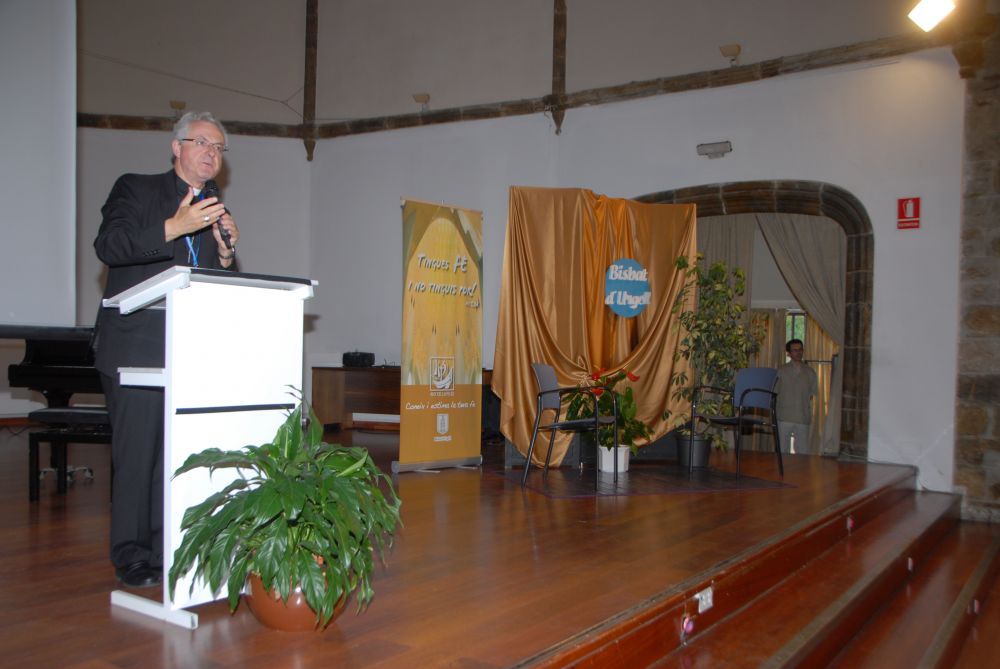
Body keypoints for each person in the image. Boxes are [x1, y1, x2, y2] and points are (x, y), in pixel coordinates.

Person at [93, 111, 240, 588]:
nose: (210, 153)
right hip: (135, 345)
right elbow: (110, 245)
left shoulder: (213, 208)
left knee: (176, 457)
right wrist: (173, 227)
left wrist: (224, 254)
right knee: (138, 456)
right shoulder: (135, 189)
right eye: (201, 143)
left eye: (218, 148)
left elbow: (212, 286)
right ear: (176, 148)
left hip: (188, 348)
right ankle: (132, 555)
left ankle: (167, 548)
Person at [775, 338, 818, 455]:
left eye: (800, 350)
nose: (798, 352)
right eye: (794, 350)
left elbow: (812, 394)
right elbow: (775, 393)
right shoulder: (781, 371)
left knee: (803, 453)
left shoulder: (810, 372)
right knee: (782, 452)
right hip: (784, 417)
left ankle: (801, 474)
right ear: (788, 353)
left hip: (802, 417)